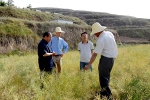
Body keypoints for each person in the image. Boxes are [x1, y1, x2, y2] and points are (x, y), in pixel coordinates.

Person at [84, 22, 118, 99]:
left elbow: (95, 54)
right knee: (106, 77)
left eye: (95, 33)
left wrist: (88, 65)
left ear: (98, 32)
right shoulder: (109, 33)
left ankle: (109, 97)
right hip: (112, 59)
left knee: (103, 80)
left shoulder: (101, 40)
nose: (95, 35)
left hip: (105, 60)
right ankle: (103, 94)